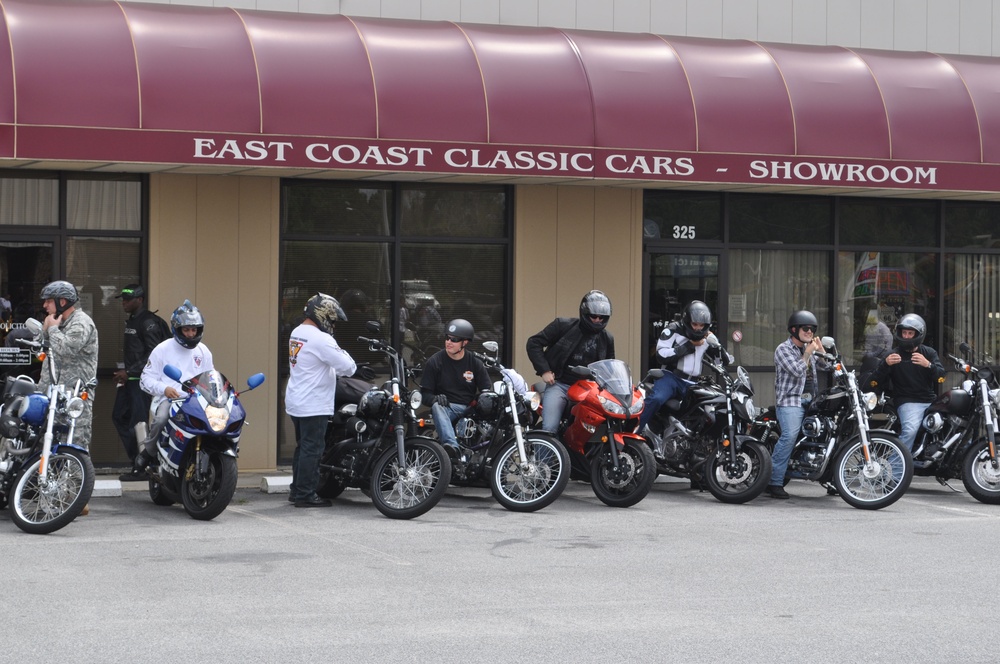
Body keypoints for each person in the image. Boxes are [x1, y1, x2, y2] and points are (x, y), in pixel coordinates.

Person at [285, 293, 357, 508]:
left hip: (297, 399)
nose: (333, 324)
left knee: (302, 448)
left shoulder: (297, 332)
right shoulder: (321, 339)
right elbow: (348, 367)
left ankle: (296, 490)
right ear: (323, 314)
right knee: (313, 449)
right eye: (333, 319)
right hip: (313, 403)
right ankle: (306, 495)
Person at [39, 280, 98, 516]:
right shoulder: (60, 321)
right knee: (50, 444)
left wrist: (51, 329)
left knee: (76, 446)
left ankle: (75, 501)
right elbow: (48, 353)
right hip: (53, 396)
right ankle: (50, 496)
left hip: (74, 398)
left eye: (48, 301)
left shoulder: (81, 322)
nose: (44, 306)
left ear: (62, 302)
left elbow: (68, 348)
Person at [134, 300, 214, 472]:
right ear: (177, 329)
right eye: (186, 329)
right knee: (161, 419)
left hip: (197, 402)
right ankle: (148, 451)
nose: (191, 334)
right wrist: (165, 389)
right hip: (169, 400)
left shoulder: (204, 351)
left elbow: (210, 377)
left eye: (194, 329)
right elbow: (145, 379)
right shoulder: (162, 349)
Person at [526, 290, 615, 433]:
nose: (598, 320)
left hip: (589, 391)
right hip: (560, 385)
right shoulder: (562, 325)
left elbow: (609, 368)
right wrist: (544, 370)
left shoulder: (607, 338)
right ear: (585, 313)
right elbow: (533, 343)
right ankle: (543, 455)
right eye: (594, 316)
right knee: (550, 428)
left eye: (602, 317)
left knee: (599, 425)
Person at [637, 300, 731, 433]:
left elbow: (722, 362)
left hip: (694, 383)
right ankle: (633, 431)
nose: (698, 328)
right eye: (694, 324)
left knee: (710, 409)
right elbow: (660, 354)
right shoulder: (673, 330)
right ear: (687, 321)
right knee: (657, 399)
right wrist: (689, 346)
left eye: (701, 325)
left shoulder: (707, 336)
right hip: (671, 378)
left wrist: (717, 346)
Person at [112, 284, 169, 481]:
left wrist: (129, 371)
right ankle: (137, 461)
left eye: (128, 299)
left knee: (139, 424)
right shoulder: (134, 321)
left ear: (140, 300)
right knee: (120, 417)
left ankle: (145, 467)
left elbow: (154, 355)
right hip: (130, 381)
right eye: (123, 299)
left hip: (142, 382)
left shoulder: (148, 323)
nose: (124, 302)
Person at [767, 310, 825, 499]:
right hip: (791, 401)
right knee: (790, 435)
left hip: (812, 401)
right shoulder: (783, 349)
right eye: (805, 328)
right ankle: (773, 481)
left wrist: (823, 352)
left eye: (812, 329)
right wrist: (808, 353)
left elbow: (829, 367)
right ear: (794, 329)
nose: (809, 332)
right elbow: (796, 370)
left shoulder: (810, 348)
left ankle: (830, 478)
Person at [868, 313, 945, 454]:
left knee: (952, 423)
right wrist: (885, 364)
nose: (907, 336)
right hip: (907, 402)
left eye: (910, 333)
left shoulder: (928, 353)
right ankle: (897, 468)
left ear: (918, 334)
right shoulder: (893, 356)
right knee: (910, 431)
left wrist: (928, 365)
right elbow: (872, 383)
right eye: (904, 333)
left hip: (931, 400)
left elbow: (941, 378)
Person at [420, 318, 490, 455]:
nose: (448, 342)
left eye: (454, 339)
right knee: (437, 406)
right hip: (447, 409)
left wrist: (479, 403)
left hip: (470, 409)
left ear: (465, 342)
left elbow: (486, 391)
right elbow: (424, 395)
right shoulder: (435, 361)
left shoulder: (475, 362)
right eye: (447, 338)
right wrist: (435, 399)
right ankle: (452, 448)